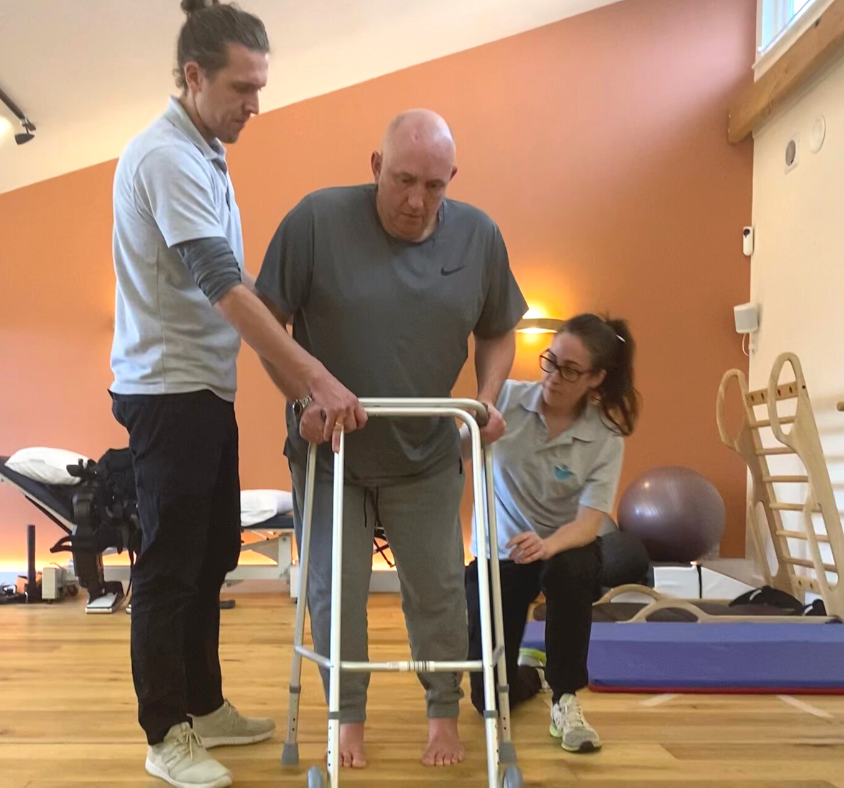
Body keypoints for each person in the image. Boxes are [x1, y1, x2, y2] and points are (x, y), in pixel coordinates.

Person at [108, 3, 366, 787]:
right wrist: (312, 378)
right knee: (169, 568)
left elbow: (236, 290)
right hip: (167, 389)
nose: (256, 103)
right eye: (242, 87)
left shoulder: (204, 151)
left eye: (261, 86)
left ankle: (205, 703)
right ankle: (166, 733)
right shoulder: (165, 158)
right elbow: (224, 285)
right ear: (193, 77)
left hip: (202, 387)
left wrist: (293, 375)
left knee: (214, 551)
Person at [255, 109, 528, 769]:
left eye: (434, 187)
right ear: (376, 167)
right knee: (334, 589)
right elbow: (267, 319)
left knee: (437, 590)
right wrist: (303, 396)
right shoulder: (316, 221)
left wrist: (486, 401)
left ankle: (443, 714)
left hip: (429, 452)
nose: (416, 202)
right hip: (333, 453)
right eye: (404, 181)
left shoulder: (479, 236)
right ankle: (346, 718)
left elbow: (497, 329)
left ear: (451, 180)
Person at [462, 313, 641, 754]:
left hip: (565, 546)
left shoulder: (605, 436)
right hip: (502, 552)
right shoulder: (505, 398)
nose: (554, 377)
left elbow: (589, 523)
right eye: (551, 361)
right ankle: (532, 675)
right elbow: (456, 453)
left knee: (571, 567)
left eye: (570, 370)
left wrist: (547, 543)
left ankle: (565, 697)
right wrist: (475, 430)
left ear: (596, 378)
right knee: (486, 696)